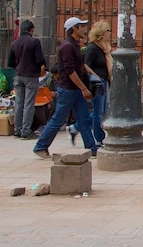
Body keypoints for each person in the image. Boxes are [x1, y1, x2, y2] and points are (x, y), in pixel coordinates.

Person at [33, 17, 98, 159]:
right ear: (74, 28)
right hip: (68, 89)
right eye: (81, 26)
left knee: (84, 119)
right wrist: (83, 88)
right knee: (57, 120)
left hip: (74, 89)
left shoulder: (74, 45)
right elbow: (70, 71)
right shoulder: (67, 46)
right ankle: (41, 146)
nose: (84, 29)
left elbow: (80, 66)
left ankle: (92, 147)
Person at [7, 19, 47, 139]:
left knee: (19, 103)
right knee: (29, 104)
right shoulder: (34, 42)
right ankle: (26, 130)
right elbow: (40, 60)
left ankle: (17, 129)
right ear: (31, 30)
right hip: (30, 76)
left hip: (18, 76)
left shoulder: (14, 43)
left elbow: (10, 62)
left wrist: (19, 66)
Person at [85, 20, 113, 147]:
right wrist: (95, 76)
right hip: (97, 82)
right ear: (102, 32)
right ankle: (99, 138)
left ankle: (75, 127)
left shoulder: (104, 48)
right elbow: (85, 65)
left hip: (103, 81)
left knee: (102, 110)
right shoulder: (93, 48)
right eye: (108, 30)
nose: (110, 33)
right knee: (98, 110)